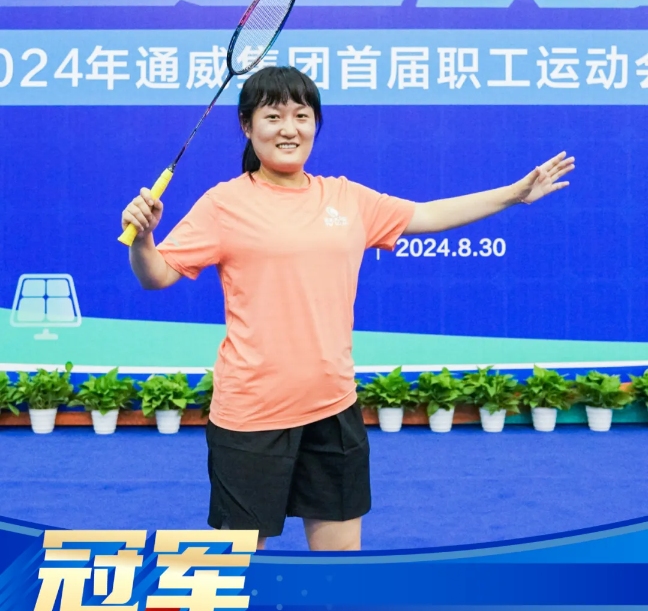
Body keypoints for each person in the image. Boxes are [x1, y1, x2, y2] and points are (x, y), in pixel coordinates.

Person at [122, 67, 574, 552]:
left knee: (340, 568)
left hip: (332, 407)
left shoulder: (344, 198)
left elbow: (427, 213)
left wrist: (514, 193)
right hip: (251, 414)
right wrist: (143, 239)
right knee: (240, 568)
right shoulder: (223, 204)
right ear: (247, 127)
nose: (289, 129)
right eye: (273, 116)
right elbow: (157, 275)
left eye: (302, 116)